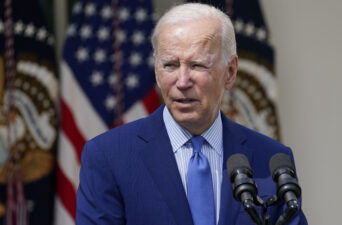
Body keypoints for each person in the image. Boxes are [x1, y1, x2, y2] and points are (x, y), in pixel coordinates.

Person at [76, 3, 307, 225]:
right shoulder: (108, 156)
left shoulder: (270, 158)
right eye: (170, 65)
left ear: (230, 72)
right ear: (156, 71)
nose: (182, 81)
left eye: (197, 65)